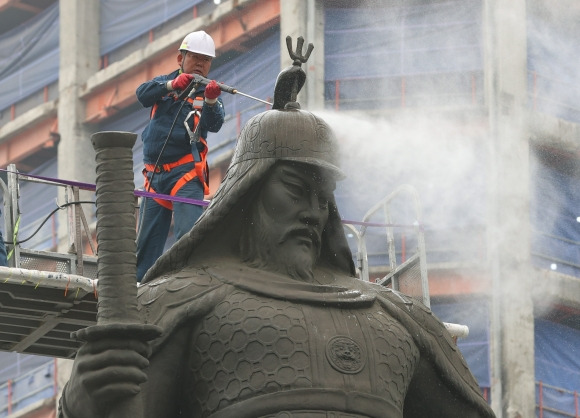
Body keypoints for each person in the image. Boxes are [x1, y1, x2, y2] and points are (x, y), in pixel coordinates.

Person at [58, 50, 494, 418]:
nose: (313, 213)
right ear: (249, 192)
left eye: (324, 199)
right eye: (294, 190)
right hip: (167, 176)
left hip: (182, 175)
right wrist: (84, 399)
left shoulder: (400, 319)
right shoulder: (178, 304)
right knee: (156, 232)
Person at [135, 30, 225, 282]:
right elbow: (142, 94)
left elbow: (215, 123)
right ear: (180, 59)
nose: (200, 63)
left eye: (205, 60)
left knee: (188, 236)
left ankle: (188, 284)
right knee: (146, 244)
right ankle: (141, 290)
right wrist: (172, 85)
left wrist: (209, 101)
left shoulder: (210, 93)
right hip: (154, 177)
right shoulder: (164, 84)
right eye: (194, 57)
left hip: (185, 175)